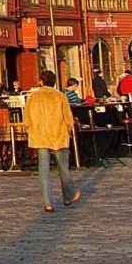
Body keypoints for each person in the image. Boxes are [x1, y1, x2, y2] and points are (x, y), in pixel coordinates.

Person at [24, 71, 81, 212]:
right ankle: (68, 195)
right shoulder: (60, 96)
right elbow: (68, 118)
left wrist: (32, 128)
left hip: (40, 136)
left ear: (41, 81)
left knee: (43, 170)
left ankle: (47, 202)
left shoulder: (33, 97)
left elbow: (26, 119)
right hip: (58, 135)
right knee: (63, 167)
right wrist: (69, 129)